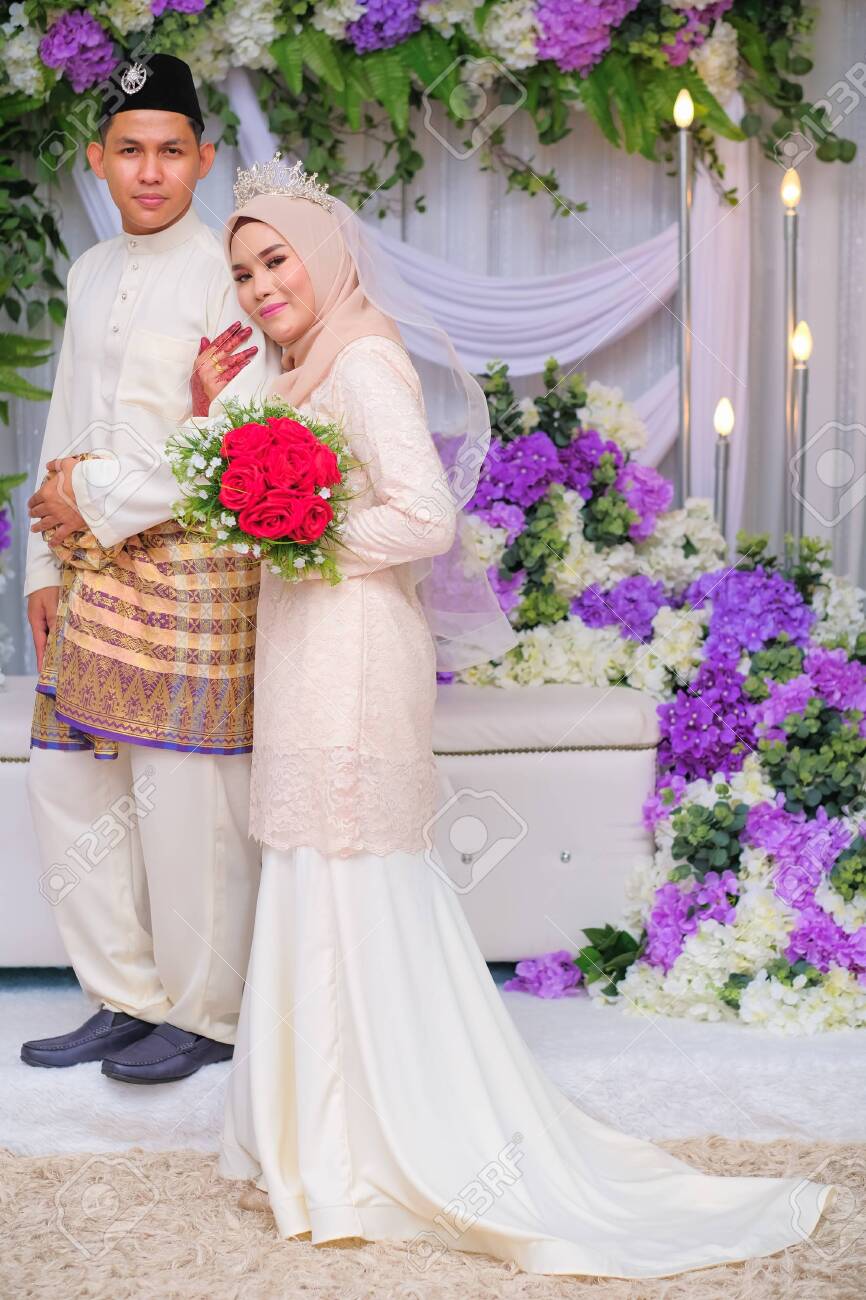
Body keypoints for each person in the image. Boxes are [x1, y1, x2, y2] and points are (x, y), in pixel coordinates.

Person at [205, 157, 837, 1279]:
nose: (259, 285)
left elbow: (425, 513)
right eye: (243, 269)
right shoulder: (289, 372)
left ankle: (369, 1144)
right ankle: (316, 1143)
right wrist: (232, 441)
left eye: (275, 258)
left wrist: (303, 526)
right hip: (303, 649)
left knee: (353, 874)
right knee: (310, 867)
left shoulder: (362, 360)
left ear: (327, 253)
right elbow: (249, 479)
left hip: (354, 655)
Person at [21, 53, 278, 1083]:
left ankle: (205, 1011)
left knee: (185, 797)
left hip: (191, 565)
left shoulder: (232, 266)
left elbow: (235, 434)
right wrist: (43, 558)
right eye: (129, 149)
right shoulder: (89, 271)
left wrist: (87, 499)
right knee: (72, 784)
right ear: (98, 158)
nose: (151, 170)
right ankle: (122, 995)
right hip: (83, 565)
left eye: (172, 150)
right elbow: (63, 420)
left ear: (205, 158)